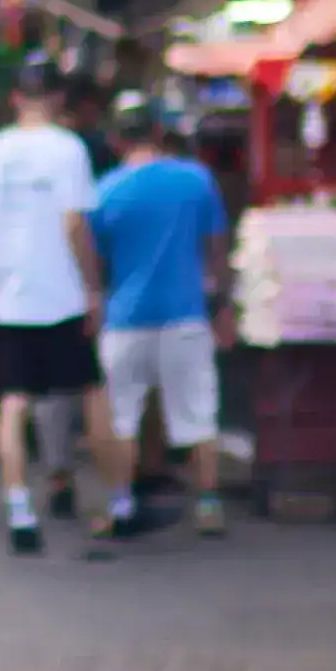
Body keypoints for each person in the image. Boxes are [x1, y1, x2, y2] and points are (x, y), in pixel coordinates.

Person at [0, 64, 109, 552]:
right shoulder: (69, 149)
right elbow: (74, 225)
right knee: (91, 393)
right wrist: (92, 286)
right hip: (62, 292)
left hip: (13, 297)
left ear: (15, 97)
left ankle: (19, 508)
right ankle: (112, 502)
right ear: (60, 97)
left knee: (14, 400)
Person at [79, 95, 235, 536]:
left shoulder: (103, 192)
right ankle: (207, 503)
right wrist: (222, 303)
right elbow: (215, 252)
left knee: (123, 416)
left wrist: (95, 298)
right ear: (160, 132)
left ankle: (122, 504)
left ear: (114, 139)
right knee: (197, 412)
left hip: (124, 320)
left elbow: (97, 261)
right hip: (185, 316)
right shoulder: (196, 181)